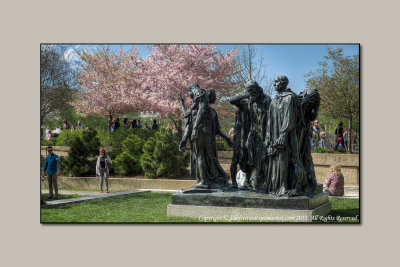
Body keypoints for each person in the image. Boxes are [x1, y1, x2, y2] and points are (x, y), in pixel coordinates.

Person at [264, 75, 303, 196]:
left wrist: (283, 135)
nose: (274, 84)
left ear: (283, 83)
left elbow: (289, 117)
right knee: (278, 161)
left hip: (287, 135)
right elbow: (269, 121)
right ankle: (279, 186)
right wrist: (268, 138)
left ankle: (297, 187)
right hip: (275, 135)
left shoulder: (290, 97)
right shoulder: (274, 99)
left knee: (294, 160)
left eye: (276, 82)